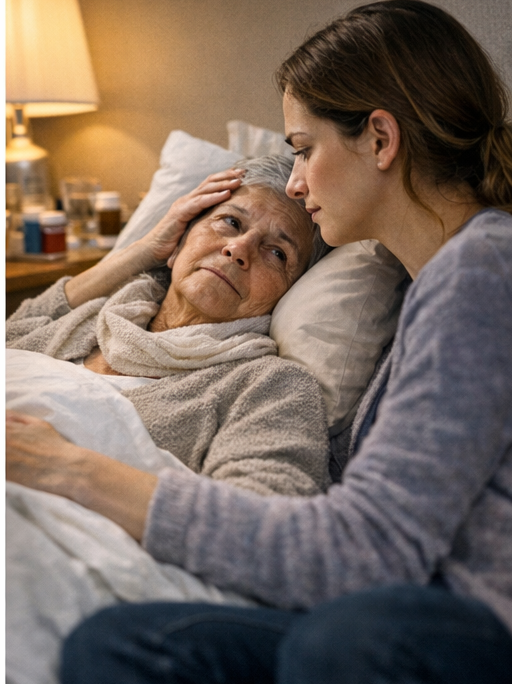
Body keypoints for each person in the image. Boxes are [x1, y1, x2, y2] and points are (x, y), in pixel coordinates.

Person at [7, 0, 512, 684]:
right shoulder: (431, 291)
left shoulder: (482, 270)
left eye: (303, 149)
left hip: (447, 632)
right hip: (388, 613)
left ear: (379, 139)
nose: (298, 183)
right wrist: (131, 258)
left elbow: (364, 549)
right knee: (119, 647)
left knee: (336, 642)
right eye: (227, 223)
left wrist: (74, 468)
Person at [7, 154, 332, 499]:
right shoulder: (94, 316)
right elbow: (12, 331)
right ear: (178, 246)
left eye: (278, 253)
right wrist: (146, 248)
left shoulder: (268, 386)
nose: (238, 249)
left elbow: (263, 521)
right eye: (231, 223)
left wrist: (63, 466)